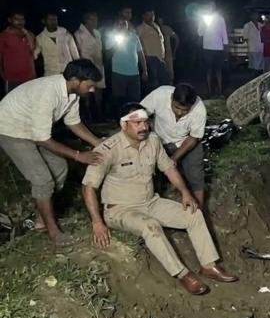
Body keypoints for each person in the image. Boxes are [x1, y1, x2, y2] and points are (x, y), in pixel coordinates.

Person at [81, 103, 237, 295]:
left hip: (150, 202)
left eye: (145, 122)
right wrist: (97, 222)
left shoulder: (153, 140)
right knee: (150, 226)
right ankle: (182, 274)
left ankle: (208, 265)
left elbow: (169, 168)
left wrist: (185, 192)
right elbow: (89, 187)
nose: (143, 127)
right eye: (137, 123)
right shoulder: (107, 149)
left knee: (193, 214)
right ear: (123, 125)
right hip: (120, 210)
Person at [0, 60, 103, 246]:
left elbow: (73, 123)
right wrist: (78, 155)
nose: (92, 90)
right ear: (75, 80)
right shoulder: (48, 93)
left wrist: (98, 143)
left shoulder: (72, 94)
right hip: (11, 129)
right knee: (42, 179)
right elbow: (42, 139)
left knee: (59, 167)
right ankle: (54, 232)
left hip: (31, 129)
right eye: (89, 85)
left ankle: (41, 220)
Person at [141, 84, 207, 208]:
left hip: (185, 141)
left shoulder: (199, 109)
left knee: (196, 175)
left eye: (185, 110)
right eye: (176, 107)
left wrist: (174, 158)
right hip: (159, 138)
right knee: (150, 172)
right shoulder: (159, 95)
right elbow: (139, 113)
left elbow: (194, 137)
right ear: (171, 98)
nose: (179, 112)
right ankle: (153, 205)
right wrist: (149, 130)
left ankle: (200, 211)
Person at [106, 9, 148, 115]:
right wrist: (117, 42)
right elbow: (107, 55)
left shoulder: (134, 36)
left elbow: (141, 54)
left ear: (127, 25)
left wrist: (145, 70)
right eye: (119, 25)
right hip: (118, 72)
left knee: (135, 99)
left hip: (134, 73)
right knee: (119, 99)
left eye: (124, 24)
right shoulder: (111, 37)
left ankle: (135, 118)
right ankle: (119, 118)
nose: (121, 27)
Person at [75, 12, 106, 120]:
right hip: (87, 67)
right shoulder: (79, 34)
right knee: (87, 90)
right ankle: (87, 115)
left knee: (99, 89)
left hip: (98, 64)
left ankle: (99, 113)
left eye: (96, 19)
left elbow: (100, 49)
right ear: (86, 20)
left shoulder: (97, 33)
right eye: (92, 19)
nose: (95, 22)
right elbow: (78, 51)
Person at [0, 11, 37, 95]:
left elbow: (32, 48)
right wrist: (3, 75)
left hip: (30, 77)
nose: (20, 22)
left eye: (22, 19)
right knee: (13, 101)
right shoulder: (3, 36)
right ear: (9, 20)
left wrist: (26, 33)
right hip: (13, 79)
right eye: (16, 19)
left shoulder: (29, 34)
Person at [196, 5, 228, 96]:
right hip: (209, 47)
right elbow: (200, 33)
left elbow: (224, 33)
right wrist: (203, 24)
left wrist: (226, 46)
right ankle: (211, 91)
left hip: (217, 48)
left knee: (217, 70)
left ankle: (219, 91)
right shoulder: (203, 19)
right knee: (210, 70)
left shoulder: (220, 18)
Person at [35, 12, 79, 76]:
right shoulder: (40, 38)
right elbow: (34, 54)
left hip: (68, 70)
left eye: (55, 19)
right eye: (50, 19)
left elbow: (74, 51)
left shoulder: (65, 33)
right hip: (50, 71)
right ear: (44, 21)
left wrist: (78, 65)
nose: (53, 22)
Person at [137, 9, 169, 92]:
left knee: (163, 83)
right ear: (143, 16)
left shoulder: (156, 26)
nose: (151, 17)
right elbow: (137, 43)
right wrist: (144, 56)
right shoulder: (140, 28)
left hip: (161, 59)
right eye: (148, 15)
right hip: (150, 58)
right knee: (154, 85)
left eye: (152, 15)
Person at [157, 17, 179, 83]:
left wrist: (174, 50)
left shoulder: (167, 28)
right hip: (158, 54)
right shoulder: (153, 29)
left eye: (160, 20)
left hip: (168, 53)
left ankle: (170, 86)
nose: (159, 22)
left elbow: (176, 38)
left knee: (170, 73)